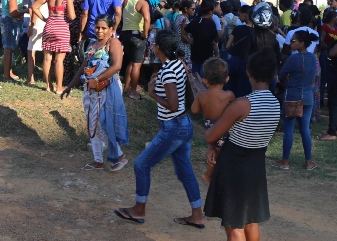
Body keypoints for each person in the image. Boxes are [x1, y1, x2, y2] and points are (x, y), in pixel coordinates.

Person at [114, 30, 204, 228]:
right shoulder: (178, 65)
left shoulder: (169, 70)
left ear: (157, 48)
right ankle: (197, 214)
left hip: (173, 127)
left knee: (141, 164)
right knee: (184, 171)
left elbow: (171, 104)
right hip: (183, 124)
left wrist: (152, 93)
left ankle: (139, 209)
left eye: (153, 44)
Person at [204, 47, 281, 240]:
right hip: (256, 165)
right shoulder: (275, 104)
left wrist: (211, 143)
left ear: (248, 72)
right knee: (250, 220)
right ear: (273, 75)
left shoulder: (242, 104)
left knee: (233, 225)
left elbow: (211, 136)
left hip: (233, 165)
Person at [62, 15, 129, 170]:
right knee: (91, 124)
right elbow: (83, 67)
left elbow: (117, 66)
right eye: (97, 27)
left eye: (103, 28)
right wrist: (70, 85)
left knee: (101, 123)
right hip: (90, 89)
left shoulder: (114, 43)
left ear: (111, 29)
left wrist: (97, 80)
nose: (99, 31)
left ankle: (119, 156)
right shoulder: (92, 44)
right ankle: (98, 159)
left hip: (107, 89)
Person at [273, 30, 318, 171]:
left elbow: (281, 74)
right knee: (305, 129)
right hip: (307, 96)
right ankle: (308, 162)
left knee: (289, 130)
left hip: (292, 95)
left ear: (301, 43)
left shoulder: (293, 59)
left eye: (293, 41)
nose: (290, 43)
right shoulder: (313, 58)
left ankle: (285, 161)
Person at [191, 58, 236, 183]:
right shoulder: (229, 95)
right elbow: (235, 112)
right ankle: (209, 175)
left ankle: (212, 174)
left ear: (205, 80)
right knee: (218, 152)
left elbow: (194, 110)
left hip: (209, 126)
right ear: (227, 79)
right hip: (223, 127)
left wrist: (200, 98)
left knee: (215, 150)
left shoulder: (201, 95)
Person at [32, 0, 76, 94]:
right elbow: (72, 16)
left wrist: (45, 18)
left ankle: (48, 85)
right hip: (61, 28)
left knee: (47, 58)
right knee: (59, 60)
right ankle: (59, 87)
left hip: (49, 26)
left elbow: (35, 6)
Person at [121, 0, 151, 100]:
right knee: (137, 65)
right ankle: (133, 92)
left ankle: (126, 87)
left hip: (125, 34)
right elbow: (147, 19)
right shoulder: (143, 3)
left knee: (131, 62)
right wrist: (145, 33)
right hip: (137, 36)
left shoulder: (127, 0)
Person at [0, 0, 28, 82]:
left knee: (9, 48)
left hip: (8, 21)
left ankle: (9, 72)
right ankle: (6, 76)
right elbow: (13, 12)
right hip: (10, 22)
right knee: (8, 49)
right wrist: (25, 11)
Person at [26, 0, 51, 84]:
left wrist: (31, 25)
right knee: (47, 52)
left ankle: (31, 78)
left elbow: (35, 10)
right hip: (47, 21)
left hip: (38, 22)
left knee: (31, 50)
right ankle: (47, 78)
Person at [184, 0, 219, 76]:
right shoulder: (211, 23)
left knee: (195, 77)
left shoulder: (194, 21)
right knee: (204, 78)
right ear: (210, 12)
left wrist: (191, 42)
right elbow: (216, 39)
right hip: (207, 55)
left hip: (195, 53)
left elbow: (183, 33)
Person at [225, 5, 254, 98]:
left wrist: (232, 52)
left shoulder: (238, 28)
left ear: (245, 15)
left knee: (231, 88)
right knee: (243, 90)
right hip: (246, 63)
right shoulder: (256, 32)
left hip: (233, 61)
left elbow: (228, 45)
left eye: (240, 14)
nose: (238, 16)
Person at [319, 10, 337, 106]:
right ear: (333, 18)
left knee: (331, 78)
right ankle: (321, 98)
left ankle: (330, 98)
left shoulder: (335, 28)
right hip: (325, 55)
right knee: (324, 77)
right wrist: (329, 49)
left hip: (333, 56)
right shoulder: (325, 27)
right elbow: (321, 40)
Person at [174, 0, 195, 67]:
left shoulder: (178, 17)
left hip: (178, 46)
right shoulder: (184, 19)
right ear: (186, 9)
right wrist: (192, 43)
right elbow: (183, 36)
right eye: (192, 9)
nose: (194, 11)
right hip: (184, 48)